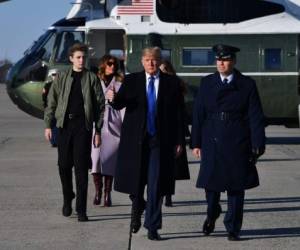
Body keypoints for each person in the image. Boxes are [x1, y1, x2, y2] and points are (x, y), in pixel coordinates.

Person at [106, 47, 185, 240]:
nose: (151, 63)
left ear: (160, 62)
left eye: (155, 60)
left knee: (156, 184)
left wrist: (180, 141)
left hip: (160, 141)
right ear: (142, 61)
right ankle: (137, 205)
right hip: (135, 141)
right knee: (136, 182)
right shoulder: (132, 80)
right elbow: (120, 103)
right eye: (148, 60)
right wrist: (113, 99)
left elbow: (179, 115)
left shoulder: (171, 83)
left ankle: (152, 226)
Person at [191, 44, 266, 240]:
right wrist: (196, 142)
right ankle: (212, 212)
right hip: (212, 138)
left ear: (233, 61)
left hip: (238, 139)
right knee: (211, 186)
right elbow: (198, 114)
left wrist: (258, 143)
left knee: (236, 187)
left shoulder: (247, 84)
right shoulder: (207, 83)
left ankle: (233, 227)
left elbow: (255, 115)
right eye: (218, 60)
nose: (221, 63)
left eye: (224, 60)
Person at [44, 43, 105, 222]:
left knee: (80, 169)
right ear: (71, 59)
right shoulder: (62, 77)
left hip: (83, 128)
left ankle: (81, 209)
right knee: (63, 166)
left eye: (83, 57)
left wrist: (98, 130)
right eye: (78, 57)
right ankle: (68, 196)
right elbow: (51, 102)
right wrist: (48, 125)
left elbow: (100, 106)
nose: (81, 60)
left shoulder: (91, 78)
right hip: (64, 126)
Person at [91, 55, 124, 207]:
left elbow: (125, 107)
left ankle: (107, 194)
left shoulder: (120, 84)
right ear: (103, 65)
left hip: (114, 124)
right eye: (109, 63)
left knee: (110, 160)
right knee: (96, 160)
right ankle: (98, 191)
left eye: (115, 64)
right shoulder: (95, 82)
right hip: (97, 126)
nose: (112, 66)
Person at [159, 59, 190, 207]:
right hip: (158, 131)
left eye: (165, 69)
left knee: (171, 166)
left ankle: (168, 195)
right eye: (160, 69)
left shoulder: (176, 85)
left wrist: (182, 134)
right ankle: (160, 193)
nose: (162, 71)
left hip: (173, 130)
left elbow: (181, 112)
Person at [42, 80, 58, 147]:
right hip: (52, 107)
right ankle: (54, 141)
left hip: (54, 107)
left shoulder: (48, 84)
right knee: (53, 124)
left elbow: (44, 96)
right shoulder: (49, 84)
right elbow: (44, 96)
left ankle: (54, 141)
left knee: (54, 124)